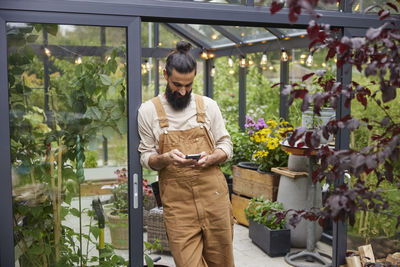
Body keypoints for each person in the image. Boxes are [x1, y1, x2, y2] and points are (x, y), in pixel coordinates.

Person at [138, 41, 234, 267]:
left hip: (214, 198)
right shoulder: (149, 111)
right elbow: (146, 157)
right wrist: (165, 158)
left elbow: (226, 145)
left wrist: (211, 158)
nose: (182, 91)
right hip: (178, 205)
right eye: (177, 84)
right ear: (165, 75)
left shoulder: (208, 106)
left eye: (188, 85)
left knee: (223, 262)